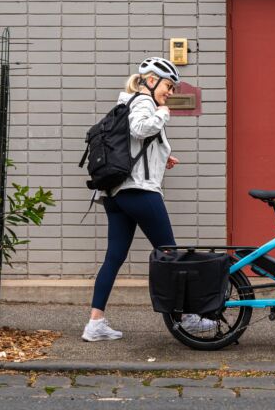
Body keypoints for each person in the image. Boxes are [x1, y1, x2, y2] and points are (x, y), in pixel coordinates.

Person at [82, 57, 216, 341]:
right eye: (168, 86)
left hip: (115, 194)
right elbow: (141, 129)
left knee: (113, 258)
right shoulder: (144, 102)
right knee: (169, 253)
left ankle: (95, 323)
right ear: (151, 80)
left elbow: (133, 144)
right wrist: (164, 112)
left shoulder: (124, 104)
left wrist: (163, 156)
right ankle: (187, 317)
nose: (170, 92)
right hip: (139, 192)